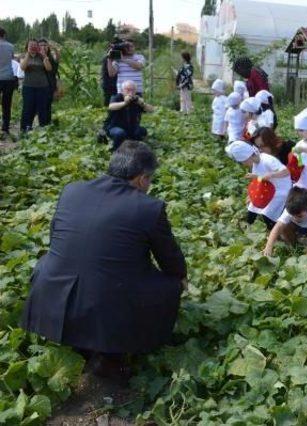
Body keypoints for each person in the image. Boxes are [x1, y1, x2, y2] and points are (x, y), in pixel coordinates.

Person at [21, 141, 187, 377]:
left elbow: (57, 238)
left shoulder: (72, 190)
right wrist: (179, 280)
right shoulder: (148, 208)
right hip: (105, 305)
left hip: (52, 297)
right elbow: (170, 260)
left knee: (57, 262)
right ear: (142, 179)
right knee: (170, 285)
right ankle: (112, 354)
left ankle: (75, 340)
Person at [225, 140, 291, 230]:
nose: (243, 164)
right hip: (267, 188)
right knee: (252, 207)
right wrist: (250, 196)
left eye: (243, 162)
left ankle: (272, 230)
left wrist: (270, 175)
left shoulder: (267, 160)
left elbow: (286, 172)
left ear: (247, 157)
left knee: (267, 214)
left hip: (280, 189)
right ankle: (248, 226)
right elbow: (258, 181)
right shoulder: (255, 164)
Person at [263, 186, 307, 256]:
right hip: (298, 227)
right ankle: (293, 246)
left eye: (299, 216)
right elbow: (278, 227)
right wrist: (268, 246)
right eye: (292, 215)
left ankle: (306, 243)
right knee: (283, 226)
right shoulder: (292, 207)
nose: (295, 218)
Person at [106, 80, 153, 151]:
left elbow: (151, 110)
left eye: (133, 90)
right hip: (114, 127)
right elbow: (111, 106)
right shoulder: (117, 97)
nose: (130, 93)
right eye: (128, 90)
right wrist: (125, 103)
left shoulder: (137, 99)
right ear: (122, 90)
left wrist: (142, 104)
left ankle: (134, 148)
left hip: (131, 128)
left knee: (142, 131)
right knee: (120, 133)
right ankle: (116, 150)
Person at [20, 39, 52, 132]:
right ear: (27, 47)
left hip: (42, 86)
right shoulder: (24, 55)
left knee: (42, 108)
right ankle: (25, 128)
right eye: (31, 45)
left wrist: (44, 56)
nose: (33, 47)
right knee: (28, 107)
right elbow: (22, 67)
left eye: (35, 45)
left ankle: (43, 128)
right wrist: (28, 54)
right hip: (28, 86)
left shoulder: (41, 56)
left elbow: (49, 68)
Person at [38, 39, 59, 125]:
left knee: (48, 106)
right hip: (40, 85)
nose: (43, 47)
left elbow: (57, 61)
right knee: (41, 106)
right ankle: (42, 124)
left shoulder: (50, 56)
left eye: (45, 45)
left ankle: (47, 123)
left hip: (50, 84)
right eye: (41, 45)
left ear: (48, 47)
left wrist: (55, 49)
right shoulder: (37, 57)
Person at [0, 27, 15, 140]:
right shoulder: (10, 46)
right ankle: (5, 128)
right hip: (8, 78)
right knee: (6, 104)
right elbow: (13, 59)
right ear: (4, 35)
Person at [101, 39, 120, 106]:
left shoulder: (119, 57)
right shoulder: (108, 57)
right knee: (109, 103)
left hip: (116, 84)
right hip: (109, 85)